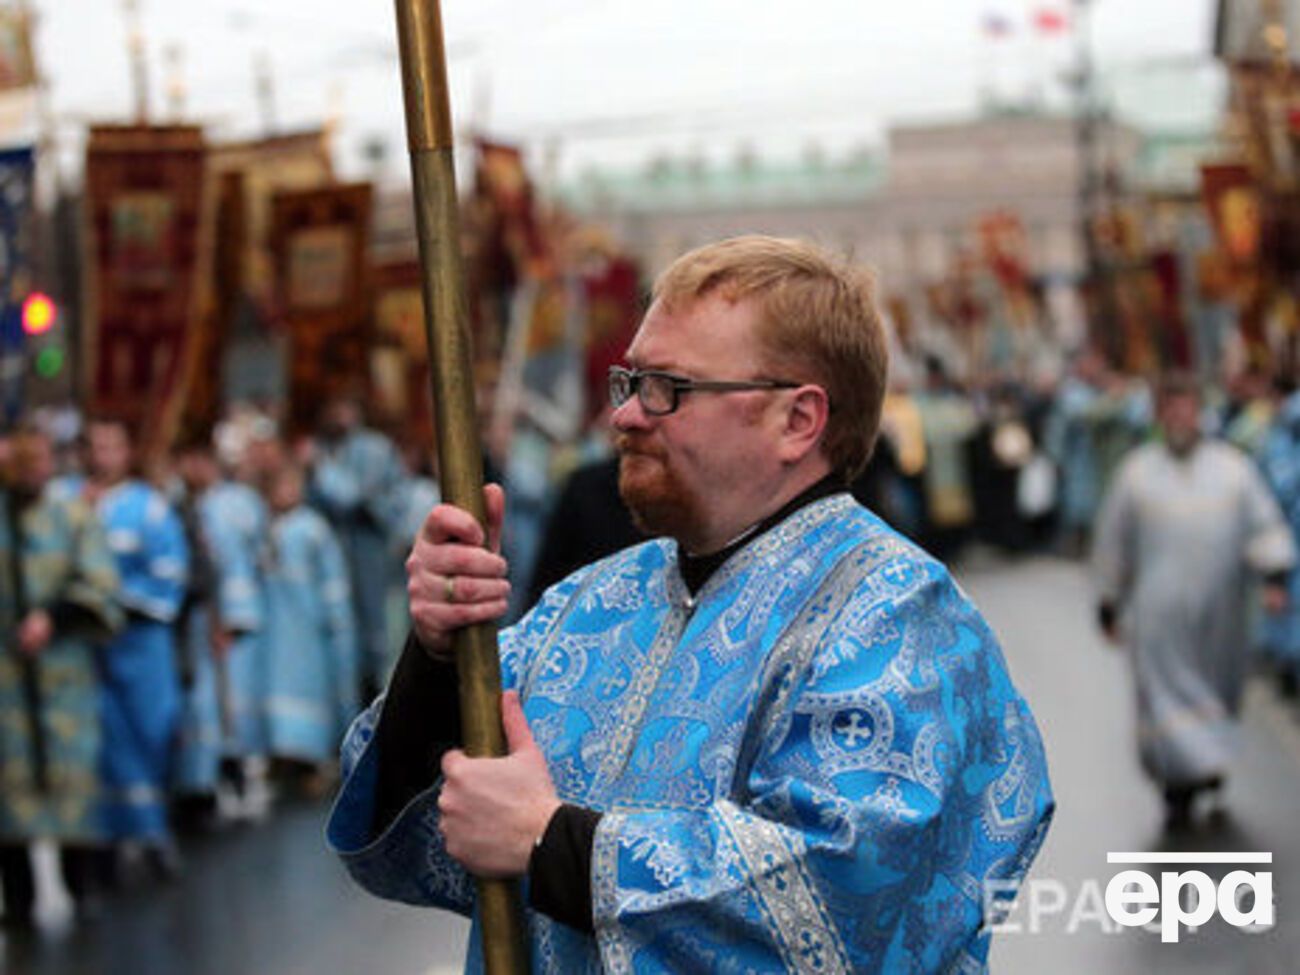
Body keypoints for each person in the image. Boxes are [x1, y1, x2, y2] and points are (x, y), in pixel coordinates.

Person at [328, 236, 1053, 972]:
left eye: (669, 387)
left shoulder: (898, 613)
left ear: (797, 420)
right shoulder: (590, 600)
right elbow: (408, 836)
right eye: (630, 381)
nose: (627, 416)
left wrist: (554, 845)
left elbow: (846, 894)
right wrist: (439, 651)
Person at [1093, 372, 1294, 831]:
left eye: (1186, 407)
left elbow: (1263, 524)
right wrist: (1108, 602)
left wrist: (1275, 575)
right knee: (1164, 700)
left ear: (1198, 412)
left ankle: (1209, 773)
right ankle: (1176, 789)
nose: (1179, 417)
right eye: (1170, 408)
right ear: (1160, 415)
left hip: (1219, 615)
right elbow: (1114, 542)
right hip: (1159, 617)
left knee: (1216, 691)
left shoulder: (1233, 469)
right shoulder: (1136, 474)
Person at [0, 425, 122, 924]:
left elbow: (100, 584)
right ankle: (19, 898)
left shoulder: (72, 519)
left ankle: (83, 884)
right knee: (9, 796)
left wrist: (54, 617)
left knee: (76, 784)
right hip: (8, 684)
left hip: (63, 676)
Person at [61, 419, 189, 877]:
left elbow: (170, 573)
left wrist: (118, 600)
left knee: (151, 733)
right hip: (86, 648)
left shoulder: (149, 508)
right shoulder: (67, 501)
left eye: (113, 445)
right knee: (100, 744)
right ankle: (107, 839)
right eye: (96, 445)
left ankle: (154, 832)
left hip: (141, 644)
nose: (104, 455)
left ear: (128, 451)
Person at [172, 432, 270, 822]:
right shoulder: (186, 504)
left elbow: (247, 559)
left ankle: (241, 777)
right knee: (206, 707)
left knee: (236, 702)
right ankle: (207, 785)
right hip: (200, 619)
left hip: (232, 616)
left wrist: (227, 617)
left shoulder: (236, 503)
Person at [302, 397, 406, 702]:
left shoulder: (373, 448)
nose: (338, 413)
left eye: (343, 404)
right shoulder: (322, 448)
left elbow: (353, 496)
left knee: (375, 638)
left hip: (369, 555)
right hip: (333, 558)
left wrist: (319, 468)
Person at [261, 462, 357, 787]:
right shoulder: (269, 527)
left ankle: (316, 762)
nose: (285, 492)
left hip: (308, 630)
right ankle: (284, 762)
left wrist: (336, 617)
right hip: (277, 631)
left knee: (315, 693)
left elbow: (332, 578)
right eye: (279, 485)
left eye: (292, 484)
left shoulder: (314, 528)